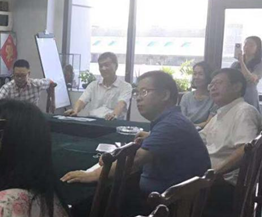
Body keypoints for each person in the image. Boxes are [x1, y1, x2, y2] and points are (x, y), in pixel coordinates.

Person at [60, 71, 210, 197]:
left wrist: (91, 175)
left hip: (166, 206)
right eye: (137, 92)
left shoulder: (171, 124)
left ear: (165, 95)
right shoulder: (172, 120)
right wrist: (151, 136)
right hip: (164, 196)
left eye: (144, 92)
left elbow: (135, 160)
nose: (138, 97)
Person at [200, 68, 261, 217]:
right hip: (212, 177)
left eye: (218, 83)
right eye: (211, 84)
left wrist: (215, 172)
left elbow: (246, 150)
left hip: (224, 185)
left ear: (237, 87)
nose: (212, 88)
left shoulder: (244, 112)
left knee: (166, 188)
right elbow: (201, 137)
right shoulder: (222, 112)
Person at [64, 52, 132, 120]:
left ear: (116, 66)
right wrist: (75, 111)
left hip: (113, 122)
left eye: (106, 65)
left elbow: (121, 104)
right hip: (93, 121)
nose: (103, 68)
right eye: (100, 66)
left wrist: (113, 114)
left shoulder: (126, 86)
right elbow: (82, 100)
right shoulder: (93, 85)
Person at [231, 36, 262, 111]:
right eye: (245, 44)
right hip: (235, 95)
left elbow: (251, 79)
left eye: (251, 45)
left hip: (249, 95)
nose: (247, 47)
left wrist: (241, 62)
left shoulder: (260, 64)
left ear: (257, 48)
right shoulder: (236, 64)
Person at [180, 61, 217, 126]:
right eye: (195, 74)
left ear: (207, 76)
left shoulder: (214, 99)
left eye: (200, 74)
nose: (196, 77)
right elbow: (181, 119)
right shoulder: (186, 97)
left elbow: (208, 123)